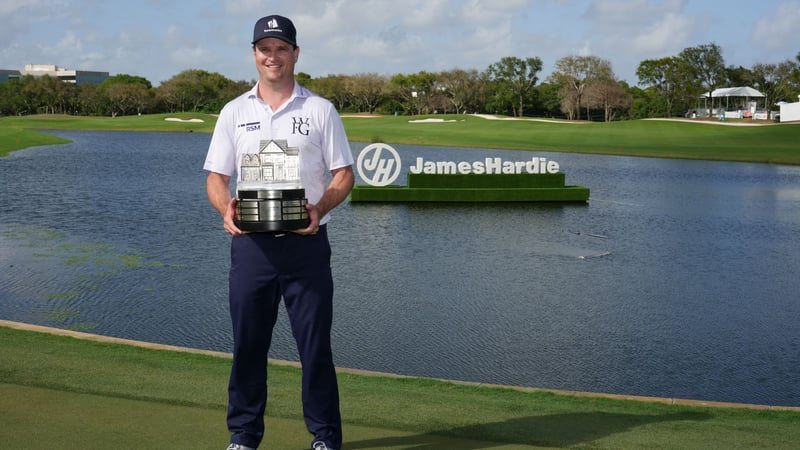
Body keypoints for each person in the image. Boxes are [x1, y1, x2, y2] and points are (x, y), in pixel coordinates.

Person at [203, 14, 354, 450]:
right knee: (248, 346)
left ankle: (325, 437)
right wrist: (224, 207)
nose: (273, 56)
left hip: (306, 247)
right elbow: (216, 178)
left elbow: (343, 175)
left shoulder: (320, 110)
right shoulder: (234, 111)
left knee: (315, 349)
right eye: (265, 49)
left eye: (281, 48)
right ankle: (244, 436)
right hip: (251, 248)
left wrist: (319, 207)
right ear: (254, 54)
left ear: (295, 54)